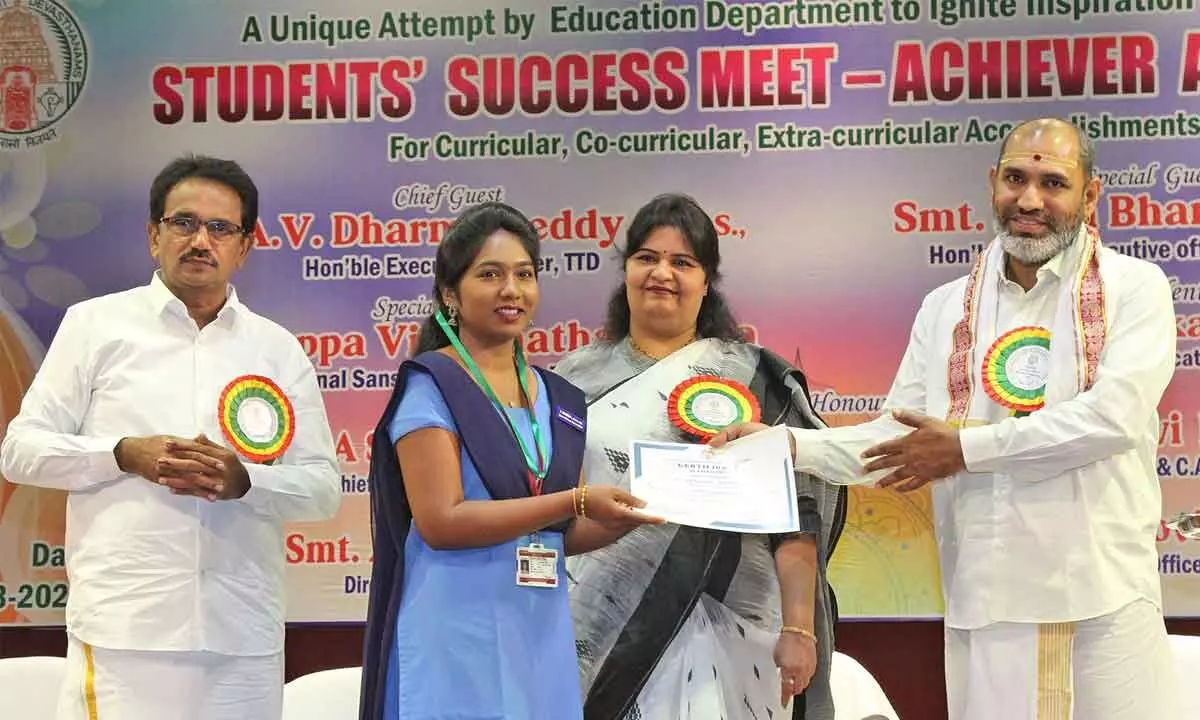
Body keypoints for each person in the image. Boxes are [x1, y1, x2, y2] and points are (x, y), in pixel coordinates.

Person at [714, 118, 1179, 719]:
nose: (1030, 200)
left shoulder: (1133, 289)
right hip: (986, 597)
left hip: (1102, 594)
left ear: (1090, 196)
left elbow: (1111, 419)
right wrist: (786, 447)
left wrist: (966, 449)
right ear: (992, 183)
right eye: (1015, 178)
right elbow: (900, 440)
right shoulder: (945, 308)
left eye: (1053, 182)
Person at [0, 154, 342, 719]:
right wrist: (121, 454)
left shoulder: (276, 348)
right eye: (183, 222)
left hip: (242, 634)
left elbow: (323, 488)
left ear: (244, 246)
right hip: (124, 631)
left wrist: (244, 481)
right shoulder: (95, 326)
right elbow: (21, 450)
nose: (200, 240)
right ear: (153, 235)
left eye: (220, 228)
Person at [358, 202, 661, 720]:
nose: (511, 290)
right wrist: (576, 499)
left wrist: (636, 514)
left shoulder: (559, 397)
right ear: (450, 294)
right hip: (454, 634)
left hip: (537, 632)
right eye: (490, 274)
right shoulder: (432, 387)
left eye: (525, 274)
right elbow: (442, 521)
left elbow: (562, 531)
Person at [553, 193, 845, 720]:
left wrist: (798, 627)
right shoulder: (571, 380)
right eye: (647, 258)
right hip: (599, 632)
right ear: (626, 272)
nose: (661, 273)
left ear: (707, 280)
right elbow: (548, 506)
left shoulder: (752, 376)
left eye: (682, 262)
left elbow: (799, 514)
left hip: (732, 627)